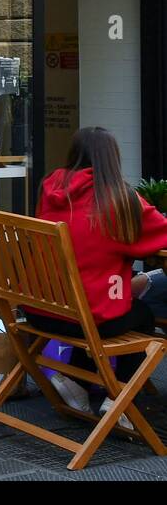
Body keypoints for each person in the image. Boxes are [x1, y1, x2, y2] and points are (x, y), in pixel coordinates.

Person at [32, 126, 167, 426]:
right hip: (82, 316)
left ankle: (73, 378)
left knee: (104, 307)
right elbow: (161, 234)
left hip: (40, 310)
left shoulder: (49, 188)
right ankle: (116, 396)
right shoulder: (119, 200)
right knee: (143, 315)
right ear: (112, 159)